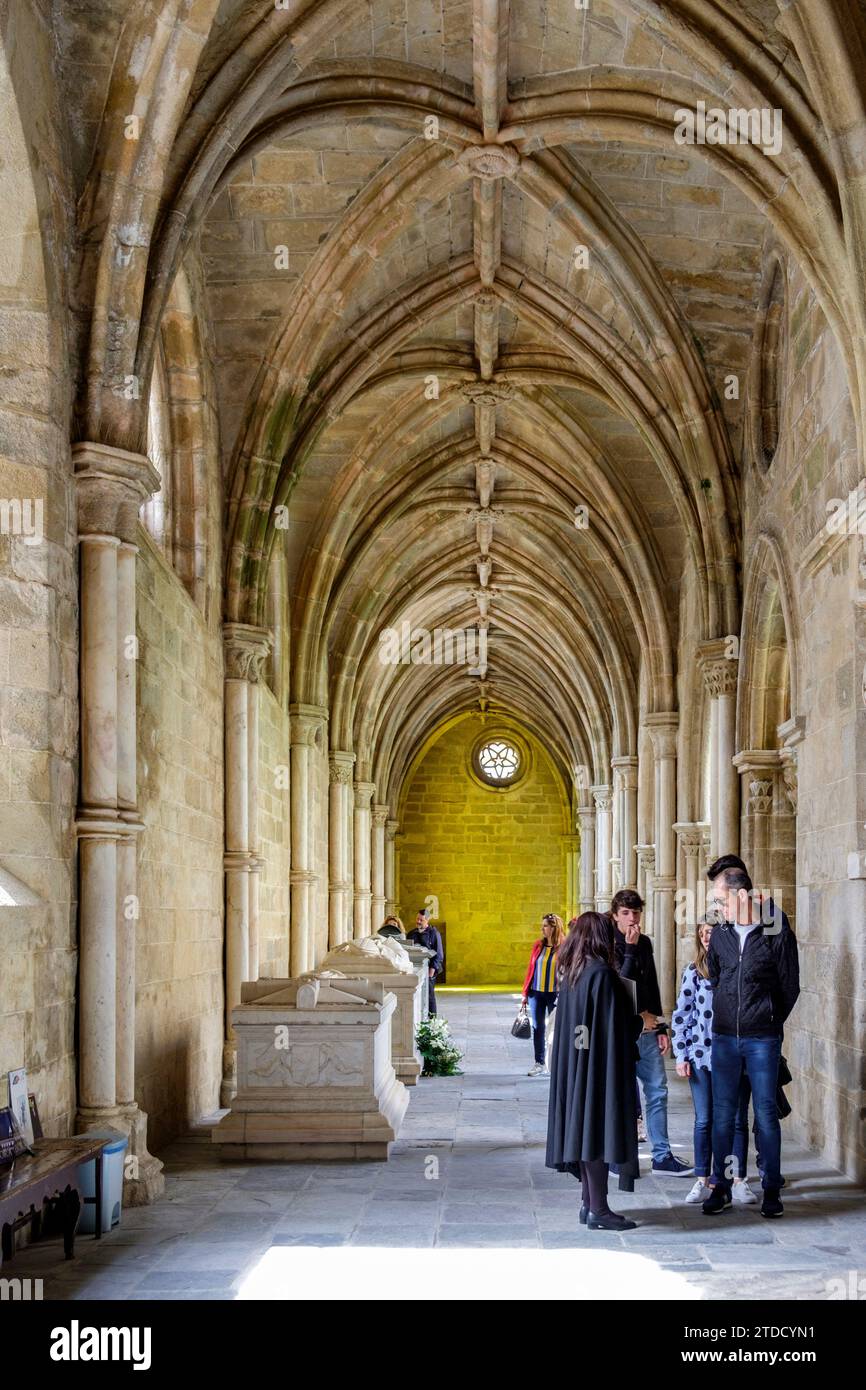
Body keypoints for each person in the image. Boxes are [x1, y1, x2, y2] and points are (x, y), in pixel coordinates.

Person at [702, 867, 800, 1219]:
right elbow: (716, 975)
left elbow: (790, 984)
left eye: (721, 898)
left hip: (763, 1039)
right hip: (726, 1038)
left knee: (766, 1116)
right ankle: (722, 1186)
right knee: (724, 1117)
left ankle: (771, 1189)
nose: (717, 904)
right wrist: (728, 1011)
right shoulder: (720, 932)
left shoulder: (774, 929)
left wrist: (769, 1020)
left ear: (741, 896)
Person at [546, 911, 643, 1230]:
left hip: (578, 1065)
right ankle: (599, 1210)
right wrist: (642, 1023)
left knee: (587, 1132)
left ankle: (590, 1205)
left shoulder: (574, 970)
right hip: (600, 1067)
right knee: (598, 1134)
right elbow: (614, 1025)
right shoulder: (600, 973)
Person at [672, 918, 756, 1205]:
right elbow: (682, 1016)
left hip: (735, 1055)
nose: (707, 938)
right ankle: (701, 1179)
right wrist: (681, 1054)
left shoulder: (735, 970)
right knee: (704, 1120)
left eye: (712, 933)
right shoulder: (694, 972)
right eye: (703, 934)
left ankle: (737, 1180)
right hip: (701, 1056)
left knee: (735, 1120)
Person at [610, 888, 693, 1174]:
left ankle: (662, 1155)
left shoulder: (644, 942)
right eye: (625, 913)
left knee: (657, 1091)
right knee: (620, 1094)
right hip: (621, 1032)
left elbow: (651, 982)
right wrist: (629, 949)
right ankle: (619, 1157)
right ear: (615, 915)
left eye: (636, 912)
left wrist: (659, 1024)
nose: (632, 918)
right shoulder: (608, 943)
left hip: (647, 1030)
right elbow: (621, 986)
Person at [520, 913, 565, 1076]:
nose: (542, 928)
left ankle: (556, 1062)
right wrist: (525, 993)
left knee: (556, 1028)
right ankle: (539, 1062)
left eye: (545, 925)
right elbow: (531, 969)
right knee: (538, 1027)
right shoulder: (538, 945)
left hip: (556, 994)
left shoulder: (565, 946)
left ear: (554, 927)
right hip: (536, 992)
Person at [407, 909, 444, 1015]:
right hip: (414, 970)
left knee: (429, 996)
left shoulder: (434, 933)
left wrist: (431, 972)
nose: (418, 921)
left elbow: (439, 954)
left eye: (421, 920)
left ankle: (432, 1022)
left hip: (429, 970)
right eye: (417, 919)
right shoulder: (411, 933)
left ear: (427, 920)